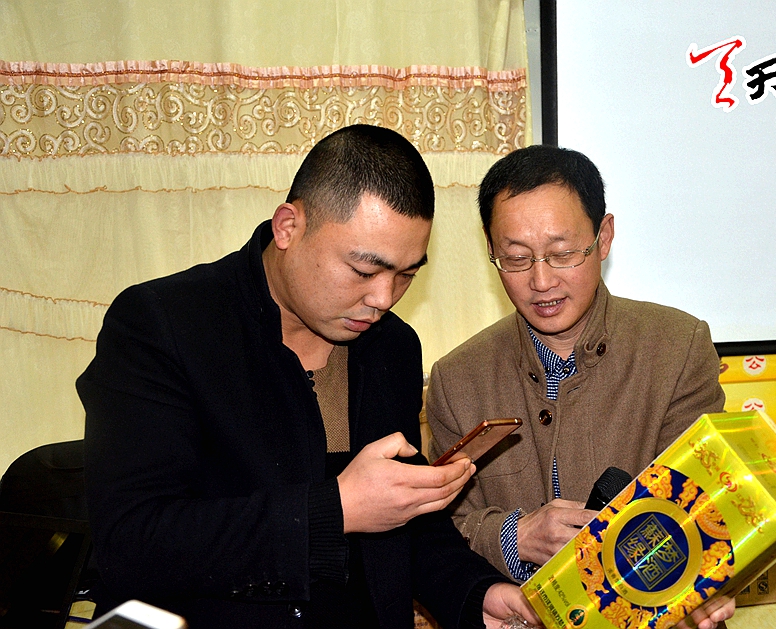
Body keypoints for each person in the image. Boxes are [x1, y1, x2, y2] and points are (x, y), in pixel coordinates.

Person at [77, 125, 537, 629]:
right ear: (288, 227)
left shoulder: (393, 347)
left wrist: (476, 593)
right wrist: (336, 510)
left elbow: (405, 526)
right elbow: (132, 543)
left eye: (406, 274)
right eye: (364, 270)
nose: (383, 298)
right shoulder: (164, 325)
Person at [425, 145, 734, 629]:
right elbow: (438, 530)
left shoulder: (677, 347)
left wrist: (697, 586)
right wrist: (515, 535)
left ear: (603, 237)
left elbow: (706, 503)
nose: (541, 280)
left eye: (563, 254)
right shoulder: (457, 378)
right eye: (516, 258)